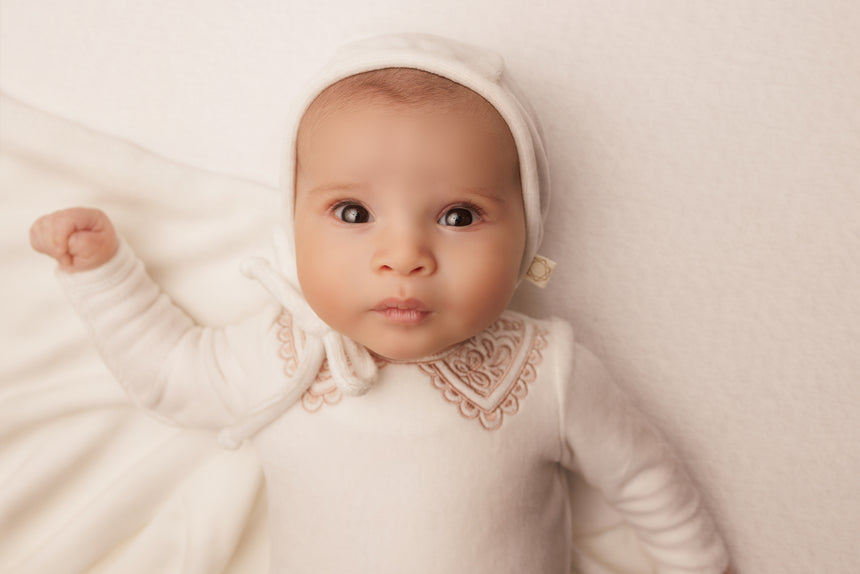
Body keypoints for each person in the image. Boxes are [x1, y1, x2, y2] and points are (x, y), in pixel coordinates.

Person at [30, 34, 731, 574]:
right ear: (292, 230)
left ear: (528, 240)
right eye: (353, 212)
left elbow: (647, 481)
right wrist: (102, 273)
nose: (403, 255)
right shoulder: (283, 354)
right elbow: (171, 375)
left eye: (458, 217)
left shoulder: (545, 370)